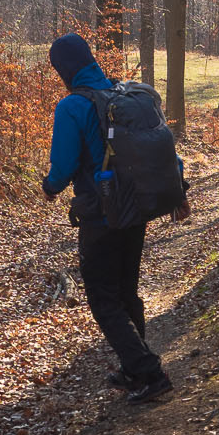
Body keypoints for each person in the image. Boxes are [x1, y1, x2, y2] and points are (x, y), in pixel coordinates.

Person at [41, 31, 177, 405]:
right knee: (125, 291)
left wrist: (50, 185)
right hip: (137, 207)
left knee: (103, 298)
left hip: (101, 215)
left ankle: (149, 372)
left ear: (64, 68)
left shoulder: (73, 106)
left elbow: (64, 165)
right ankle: (135, 368)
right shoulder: (124, 93)